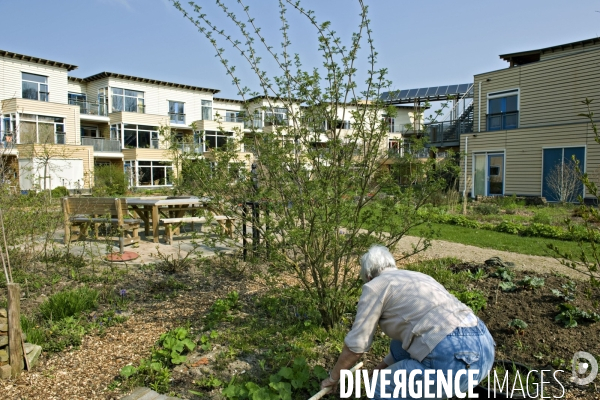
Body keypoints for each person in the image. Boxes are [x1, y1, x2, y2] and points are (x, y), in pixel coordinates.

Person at [320, 245, 495, 399]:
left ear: (367, 275)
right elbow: (405, 343)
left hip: (450, 361)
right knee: (400, 349)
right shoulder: (418, 277)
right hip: (483, 354)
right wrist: (381, 367)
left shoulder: (376, 286)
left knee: (381, 387)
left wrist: (333, 378)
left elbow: (356, 346)